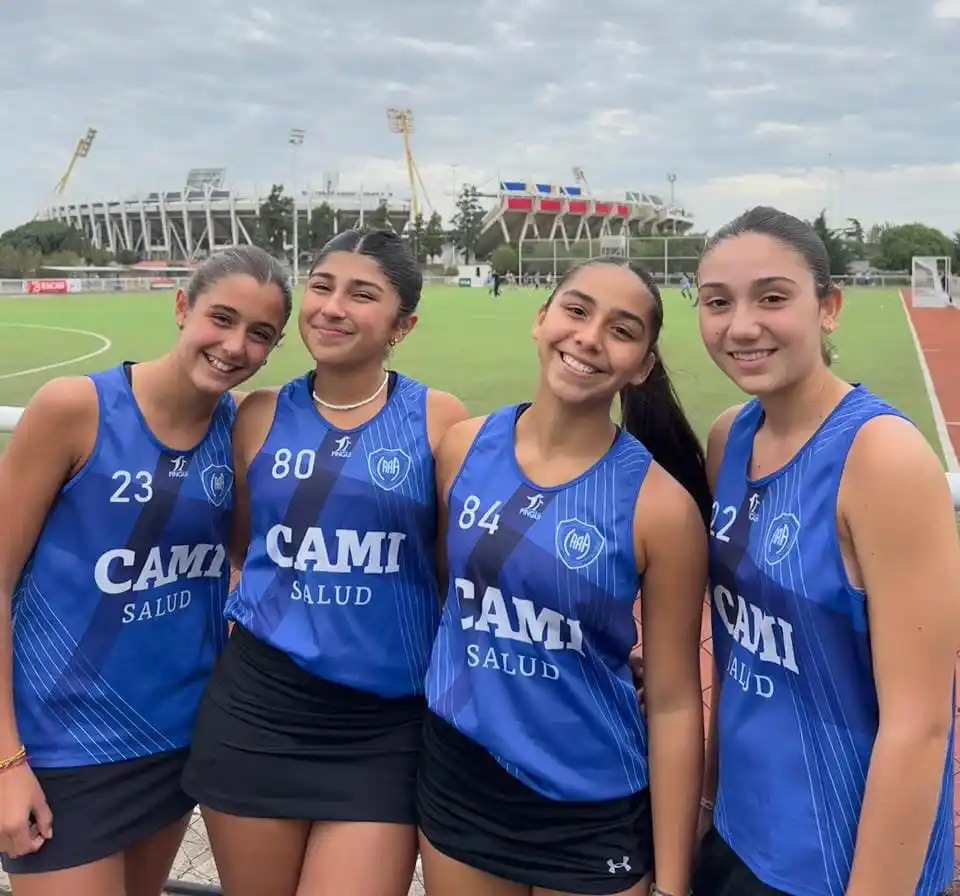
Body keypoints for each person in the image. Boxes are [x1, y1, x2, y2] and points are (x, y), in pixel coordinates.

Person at [181, 228, 469, 896]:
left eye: (362, 294)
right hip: (257, 712)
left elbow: (454, 568)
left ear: (404, 324)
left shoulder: (438, 420)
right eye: (322, 286)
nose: (333, 307)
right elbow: (248, 544)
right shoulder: (256, 415)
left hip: (383, 726)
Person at [0, 246, 291, 896]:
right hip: (60, 749)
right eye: (221, 317)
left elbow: (247, 561)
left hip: (175, 743)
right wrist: (5, 761)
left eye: (260, 334)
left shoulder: (238, 430)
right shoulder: (75, 408)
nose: (234, 345)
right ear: (182, 307)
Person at [417, 258, 712, 896]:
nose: (589, 337)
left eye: (622, 330)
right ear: (541, 319)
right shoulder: (463, 448)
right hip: (460, 779)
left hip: (589, 801)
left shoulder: (661, 508)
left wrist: (672, 881)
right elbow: (450, 596)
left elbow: (672, 700)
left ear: (643, 365)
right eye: (576, 311)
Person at [692, 206, 960, 896]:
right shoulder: (731, 437)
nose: (741, 325)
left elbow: (920, 723)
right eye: (717, 302)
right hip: (738, 835)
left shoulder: (882, 458)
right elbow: (739, 650)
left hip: (838, 862)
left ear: (828, 307)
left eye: (772, 297)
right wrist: (708, 806)